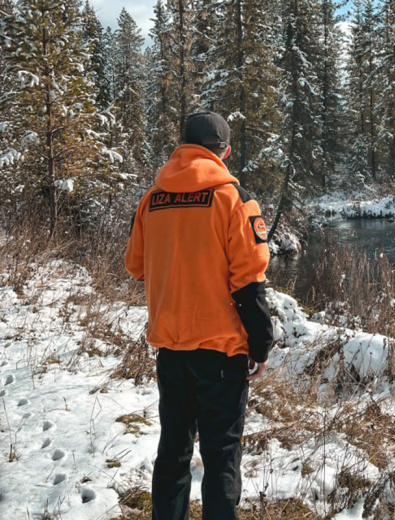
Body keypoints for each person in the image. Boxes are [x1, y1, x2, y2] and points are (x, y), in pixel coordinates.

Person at [124, 111, 274, 520]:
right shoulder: (233, 199)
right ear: (223, 152)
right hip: (222, 352)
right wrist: (260, 342)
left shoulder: (151, 199)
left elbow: (135, 266)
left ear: (182, 147)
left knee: (173, 450)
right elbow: (248, 281)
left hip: (171, 348)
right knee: (221, 455)